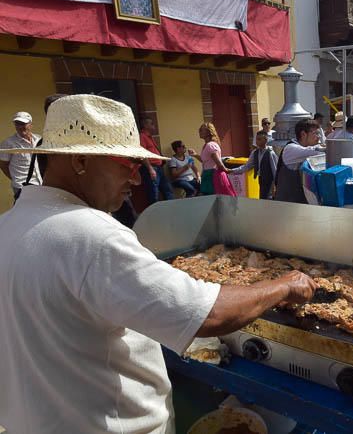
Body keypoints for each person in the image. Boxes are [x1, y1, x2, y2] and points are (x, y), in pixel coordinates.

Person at [0, 94, 318, 434]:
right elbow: (211, 314)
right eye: (128, 165)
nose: (137, 180)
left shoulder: (8, 225)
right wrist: (285, 283)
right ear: (80, 161)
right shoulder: (91, 235)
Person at [274, 118, 325, 203]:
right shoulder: (291, 148)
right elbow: (316, 153)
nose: (318, 136)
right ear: (303, 134)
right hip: (287, 205)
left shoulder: (302, 148)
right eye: (315, 133)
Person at [0, 111, 42, 202]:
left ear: (30, 124)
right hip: (21, 186)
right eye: (17, 124)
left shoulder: (38, 140)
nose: (20, 127)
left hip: (40, 184)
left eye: (23, 123)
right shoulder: (8, 143)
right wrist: (15, 178)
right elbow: (3, 165)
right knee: (23, 213)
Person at [190, 123, 237, 197]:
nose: (199, 131)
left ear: (208, 132)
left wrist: (226, 170)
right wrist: (195, 154)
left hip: (211, 175)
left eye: (202, 130)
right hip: (207, 174)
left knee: (212, 197)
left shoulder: (210, 145)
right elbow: (204, 160)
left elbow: (219, 163)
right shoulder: (207, 145)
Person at [230, 130, 278, 200]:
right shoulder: (255, 153)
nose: (257, 142)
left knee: (268, 199)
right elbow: (247, 166)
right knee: (263, 198)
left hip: (269, 181)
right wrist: (232, 170)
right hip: (261, 179)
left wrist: (276, 185)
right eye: (256, 139)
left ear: (265, 140)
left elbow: (275, 171)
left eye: (259, 139)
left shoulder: (270, 153)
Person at [139, 118, 174, 205]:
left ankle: (171, 208)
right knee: (153, 193)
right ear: (145, 125)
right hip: (151, 168)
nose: (154, 126)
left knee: (167, 190)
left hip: (158, 168)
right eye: (151, 124)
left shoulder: (150, 137)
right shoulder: (142, 136)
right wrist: (150, 168)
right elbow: (142, 154)